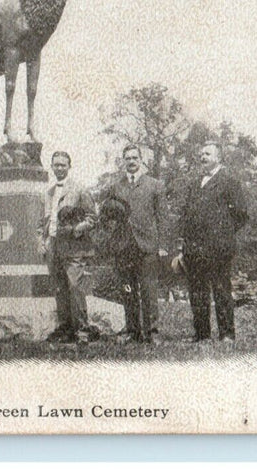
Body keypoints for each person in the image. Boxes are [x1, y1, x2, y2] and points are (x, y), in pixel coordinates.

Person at [176, 142, 249, 343]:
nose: (203, 157)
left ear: (218, 157)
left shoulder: (229, 181)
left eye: (207, 153)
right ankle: (201, 334)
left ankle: (227, 334)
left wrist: (223, 233)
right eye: (201, 154)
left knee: (221, 290)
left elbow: (241, 214)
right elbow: (187, 215)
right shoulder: (194, 183)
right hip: (195, 248)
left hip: (219, 247)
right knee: (197, 292)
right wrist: (184, 245)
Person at [102, 144, 167, 343]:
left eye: (134, 158)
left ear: (140, 160)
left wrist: (162, 245)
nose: (131, 161)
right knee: (128, 290)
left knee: (148, 290)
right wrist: (113, 237)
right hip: (124, 248)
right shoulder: (116, 186)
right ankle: (132, 331)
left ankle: (152, 332)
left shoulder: (155, 185)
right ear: (123, 161)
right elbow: (106, 216)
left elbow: (162, 217)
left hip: (147, 246)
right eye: (127, 158)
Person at [38, 151, 97, 344]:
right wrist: (41, 241)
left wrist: (77, 230)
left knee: (74, 286)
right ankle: (64, 328)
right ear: (52, 166)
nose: (59, 168)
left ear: (69, 166)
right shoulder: (48, 192)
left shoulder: (79, 189)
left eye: (63, 165)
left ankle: (82, 329)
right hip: (54, 246)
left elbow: (92, 218)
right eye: (56, 165)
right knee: (59, 288)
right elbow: (43, 222)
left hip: (73, 247)